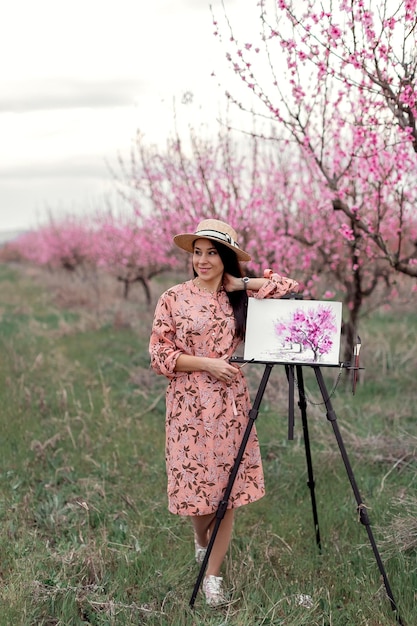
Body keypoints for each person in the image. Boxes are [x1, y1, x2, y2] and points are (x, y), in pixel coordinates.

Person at [149, 218, 298, 606]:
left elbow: (288, 286)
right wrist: (206, 363)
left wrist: (241, 284)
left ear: (226, 258)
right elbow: (159, 353)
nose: (202, 260)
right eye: (197, 252)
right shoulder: (173, 297)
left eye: (212, 252)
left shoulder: (241, 298)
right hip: (187, 406)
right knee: (194, 487)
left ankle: (212, 576)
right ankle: (202, 544)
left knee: (225, 492)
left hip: (230, 406)